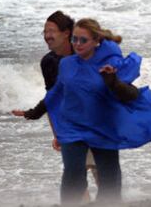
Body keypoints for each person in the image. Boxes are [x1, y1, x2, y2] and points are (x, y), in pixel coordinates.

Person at [21, 18, 151, 205]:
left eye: (83, 40)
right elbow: (56, 92)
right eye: (74, 39)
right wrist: (35, 112)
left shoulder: (111, 64)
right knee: (73, 172)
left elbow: (130, 94)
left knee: (109, 177)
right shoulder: (67, 64)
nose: (77, 44)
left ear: (96, 41)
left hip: (103, 126)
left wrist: (112, 81)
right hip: (72, 127)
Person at [11, 11, 98, 202]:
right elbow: (53, 99)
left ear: (66, 33)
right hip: (71, 126)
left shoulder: (86, 54)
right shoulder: (48, 62)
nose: (46, 36)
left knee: (100, 171)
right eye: (44, 31)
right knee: (76, 173)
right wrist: (57, 132)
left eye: (51, 31)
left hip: (97, 123)